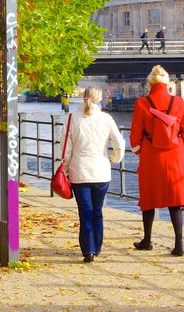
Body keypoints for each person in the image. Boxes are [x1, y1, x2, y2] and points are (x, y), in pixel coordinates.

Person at [130, 65, 184, 256]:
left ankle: (148, 240)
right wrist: (181, 152)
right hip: (174, 155)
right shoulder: (178, 102)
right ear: (167, 83)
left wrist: (141, 152)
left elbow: (135, 135)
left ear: (150, 83)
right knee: (175, 201)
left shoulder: (142, 103)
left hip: (151, 155)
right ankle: (179, 244)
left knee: (149, 199)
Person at [62, 86, 125, 263]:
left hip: (79, 171)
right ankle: (97, 247)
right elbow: (119, 142)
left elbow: (66, 149)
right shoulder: (106, 118)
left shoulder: (72, 119)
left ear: (83, 97)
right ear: (98, 99)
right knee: (97, 211)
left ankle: (88, 250)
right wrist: (114, 158)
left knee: (85, 212)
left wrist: (66, 170)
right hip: (101, 171)